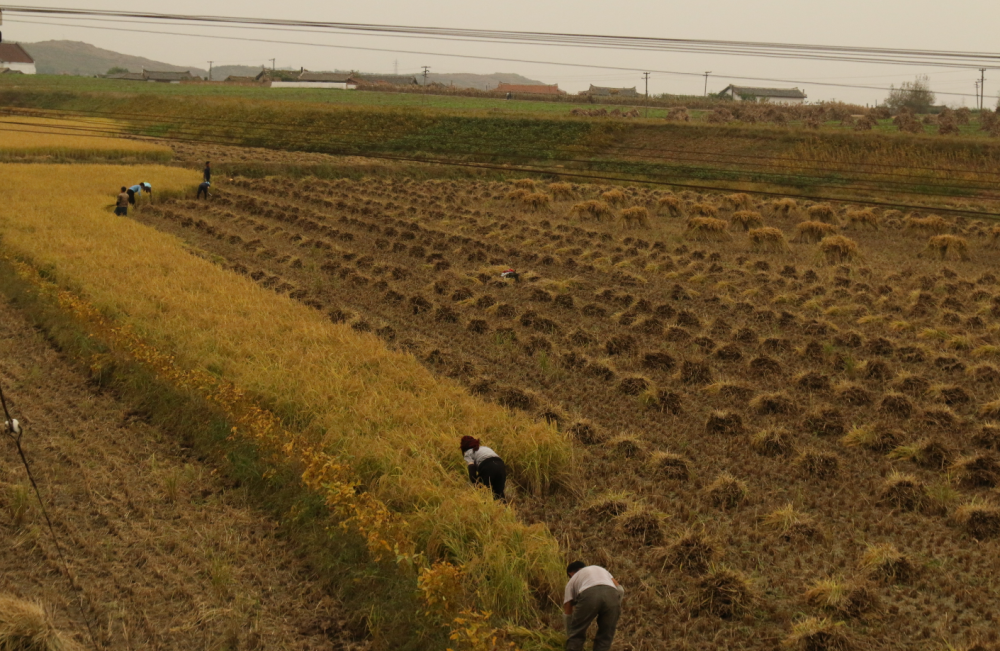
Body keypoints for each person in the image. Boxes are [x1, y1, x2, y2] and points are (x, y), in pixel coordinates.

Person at [563, 562, 623, 651]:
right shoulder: (601, 569)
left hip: (589, 594)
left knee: (577, 634)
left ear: (571, 573)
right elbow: (620, 590)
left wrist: (570, 633)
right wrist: (615, 606)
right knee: (606, 636)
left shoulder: (572, 580)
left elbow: (568, 610)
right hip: (612, 594)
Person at [460, 435, 506, 500]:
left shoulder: (468, 453)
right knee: (499, 493)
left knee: (483, 493)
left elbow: (472, 469)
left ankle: (486, 509)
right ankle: (504, 509)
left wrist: (475, 484)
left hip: (487, 466)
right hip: (501, 465)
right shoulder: (485, 448)